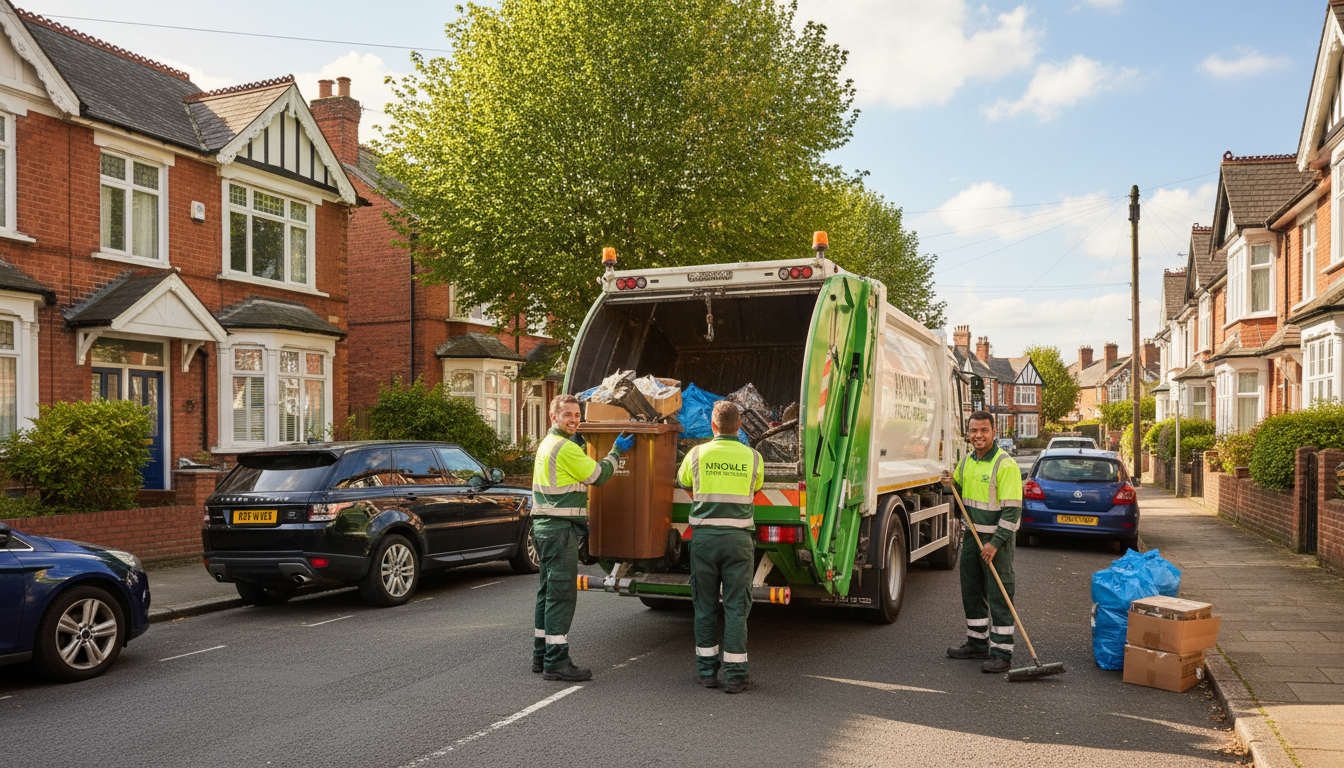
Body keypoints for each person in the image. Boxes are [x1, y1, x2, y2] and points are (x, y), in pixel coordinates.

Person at [531, 394, 634, 682]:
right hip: (558, 530)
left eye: (577, 415)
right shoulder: (564, 448)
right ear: (553, 417)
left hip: (544, 528)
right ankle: (556, 662)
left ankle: (541, 655)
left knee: (547, 593)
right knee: (562, 596)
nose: (574, 420)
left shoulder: (547, 444)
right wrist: (615, 451)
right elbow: (599, 476)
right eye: (567, 415)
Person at [677, 401, 763, 694]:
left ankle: (707, 673)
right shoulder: (753, 457)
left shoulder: (696, 454)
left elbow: (684, 482)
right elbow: (756, 487)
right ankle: (737, 676)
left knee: (704, 606)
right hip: (738, 540)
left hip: (704, 539)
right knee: (736, 607)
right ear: (739, 427)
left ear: (712, 426)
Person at [941, 410, 1023, 674]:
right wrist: (947, 484)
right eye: (974, 430)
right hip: (972, 538)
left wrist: (994, 543)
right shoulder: (966, 462)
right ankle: (977, 643)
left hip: (995, 542)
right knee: (972, 591)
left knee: (1000, 594)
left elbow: (1012, 512)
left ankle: (1002, 652)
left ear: (994, 431)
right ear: (968, 433)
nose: (978, 435)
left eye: (984, 430)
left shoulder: (1005, 464)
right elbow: (960, 496)